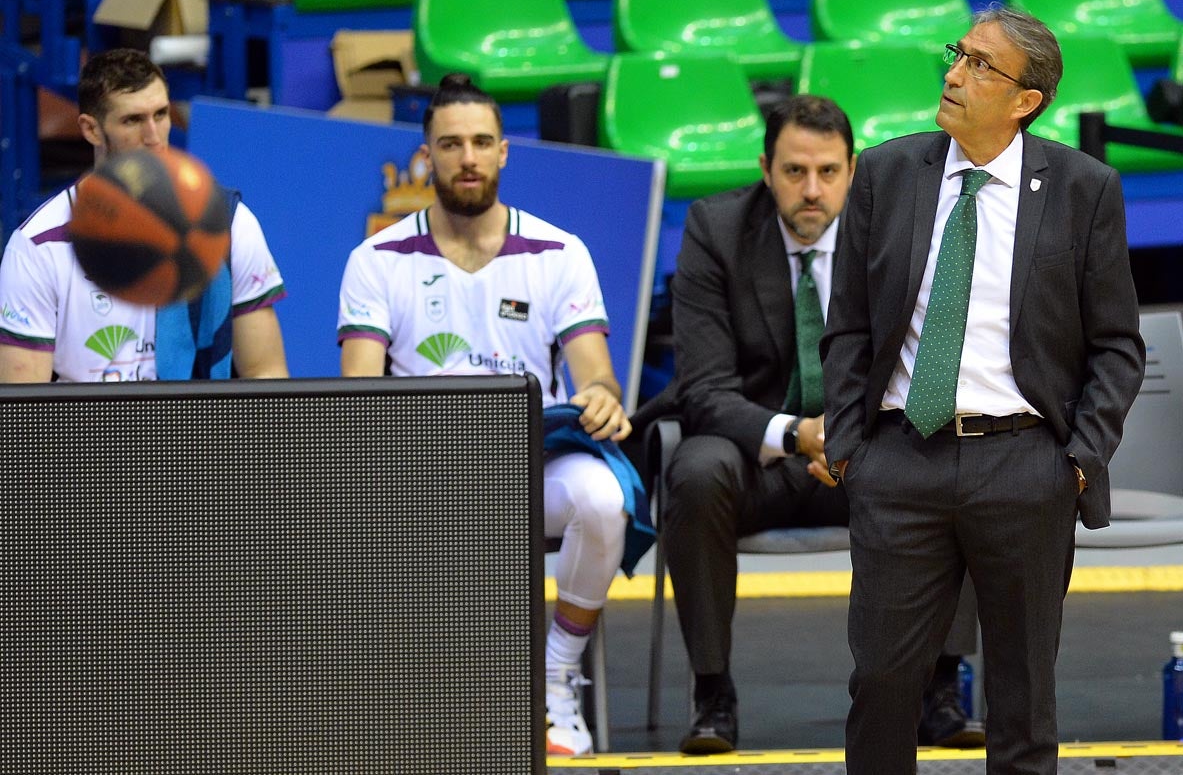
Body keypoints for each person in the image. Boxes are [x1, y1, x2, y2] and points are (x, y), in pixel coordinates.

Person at [822, 5, 1146, 774]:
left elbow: (1116, 345)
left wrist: (1075, 460)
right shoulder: (886, 172)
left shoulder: (1081, 188)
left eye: (979, 66)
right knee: (879, 682)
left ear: (1024, 99)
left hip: (1023, 463)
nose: (953, 75)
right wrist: (849, 448)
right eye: (956, 55)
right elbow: (848, 327)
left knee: (1021, 696)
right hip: (899, 462)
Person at [650, 94, 983, 755]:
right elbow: (704, 389)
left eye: (827, 172)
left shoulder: (892, 229)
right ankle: (712, 693)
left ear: (853, 170)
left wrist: (855, 436)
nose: (811, 190)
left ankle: (938, 687)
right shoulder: (715, 230)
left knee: (966, 464)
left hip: (866, 456)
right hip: (755, 455)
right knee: (693, 468)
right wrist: (799, 435)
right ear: (763, 168)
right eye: (793, 171)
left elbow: (925, 361)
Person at [337, 72, 648, 757]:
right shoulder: (375, 260)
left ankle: (556, 678)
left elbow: (595, 371)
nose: (467, 158)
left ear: (504, 152)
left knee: (601, 499)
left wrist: (599, 396)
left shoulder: (560, 252)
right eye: (451, 144)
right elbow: (356, 396)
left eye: (481, 142)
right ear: (427, 155)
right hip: (418, 479)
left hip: (529, 471)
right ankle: (421, 691)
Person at [0, 48, 288, 382]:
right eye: (133, 120)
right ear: (91, 129)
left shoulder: (227, 223)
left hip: (200, 429)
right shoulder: (39, 247)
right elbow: (22, 411)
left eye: (162, 114)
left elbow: (265, 373)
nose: (154, 137)